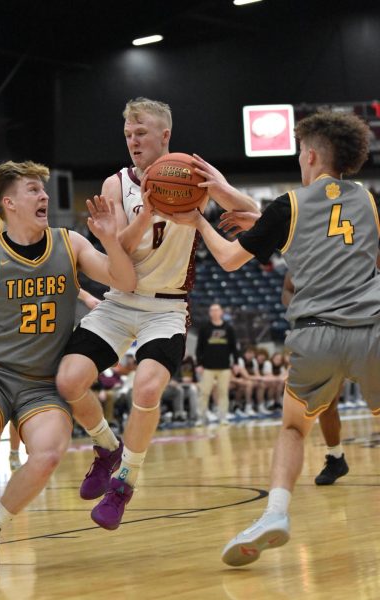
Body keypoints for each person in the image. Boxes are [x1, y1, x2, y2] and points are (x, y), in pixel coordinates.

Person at [164, 110, 378, 567]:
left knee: (293, 428)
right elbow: (308, 228)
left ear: (312, 154)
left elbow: (228, 258)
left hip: (316, 336)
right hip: (372, 331)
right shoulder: (369, 201)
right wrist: (225, 193)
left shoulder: (288, 205)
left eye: (302, 152)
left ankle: (275, 514)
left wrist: (200, 221)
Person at [56, 97, 259, 532]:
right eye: (128, 133)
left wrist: (222, 188)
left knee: (147, 389)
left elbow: (254, 214)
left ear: (165, 135)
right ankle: (106, 448)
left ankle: (124, 482)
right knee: (68, 380)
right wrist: (145, 214)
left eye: (141, 132)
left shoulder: (193, 178)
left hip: (166, 306)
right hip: (119, 297)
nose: (133, 140)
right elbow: (119, 252)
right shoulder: (116, 185)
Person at [0, 160, 136, 574]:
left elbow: (124, 280)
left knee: (49, 452)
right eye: (33, 190)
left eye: (43, 190)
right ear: (8, 203)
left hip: (43, 383)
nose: (44, 196)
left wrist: (110, 241)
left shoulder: (69, 243)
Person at [282, 270, 349, 485]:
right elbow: (287, 290)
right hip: (324, 335)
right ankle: (336, 457)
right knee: (327, 404)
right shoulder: (302, 256)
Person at [196, 303, 240, 424]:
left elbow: (234, 348)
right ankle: (201, 417)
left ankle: (223, 417)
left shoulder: (228, 328)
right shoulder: (204, 328)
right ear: (210, 313)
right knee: (204, 393)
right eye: (212, 310)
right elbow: (199, 347)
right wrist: (199, 364)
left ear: (221, 312)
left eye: (217, 310)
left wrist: (235, 363)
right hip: (207, 367)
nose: (214, 312)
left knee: (223, 392)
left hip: (224, 367)